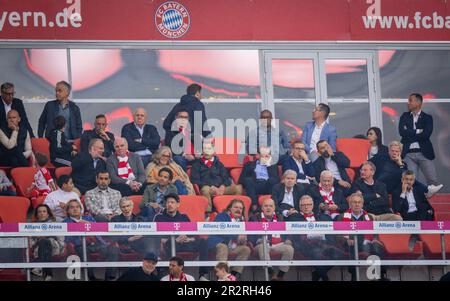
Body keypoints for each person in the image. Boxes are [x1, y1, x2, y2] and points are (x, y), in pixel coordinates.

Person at [154, 194, 209, 280]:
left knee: (202, 242)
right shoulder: (159, 217)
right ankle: (170, 274)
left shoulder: (184, 217)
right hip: (170, 244)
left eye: (172, 202)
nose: (170, 204)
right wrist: (174, 240)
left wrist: (188, 239)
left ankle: (202, 275)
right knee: (170, 243)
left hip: (185, 243)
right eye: (168, 202)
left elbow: (193, 234)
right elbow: (155, 237)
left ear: (178, 205)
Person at [290, 195, 345, 281]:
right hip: (306, 245)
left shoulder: (321, 216)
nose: (306, 207)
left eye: (308, 204)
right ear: (300, 206)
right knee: (317, 253)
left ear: (312, 205)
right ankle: (325, 278)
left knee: (338, 254)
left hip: (323, 243)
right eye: (304, 205)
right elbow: (296, 237)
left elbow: (329, 231)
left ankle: (317, 274)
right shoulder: (294, 218)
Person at [336, 193, 388, 281]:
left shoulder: (368, 217)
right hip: (351, 244)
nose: (357, 204)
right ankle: (354, 277)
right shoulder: (342, 217)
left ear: (362, 204)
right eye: (354, 202)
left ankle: (380, 276)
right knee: (353, 247)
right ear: (350, 204)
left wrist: (375, 239)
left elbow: (375, 233)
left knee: (378, 247)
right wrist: (346, 240)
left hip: (366, 243)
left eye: (359, 202)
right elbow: (337, 235)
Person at [399, 93, 443, 191]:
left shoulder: (427, 117)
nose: (408, 103)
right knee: (411, 183)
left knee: (433, 182)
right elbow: (402, 132)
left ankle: (428, 201)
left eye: (411, 100)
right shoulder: (404, 116)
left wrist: (409, 133)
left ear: (418, 102)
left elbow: (426, 134)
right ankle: (415, 203)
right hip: (408, 154)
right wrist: (418, 131)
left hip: (424, 152)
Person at [63, 199, 116, 280]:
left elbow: (98, 231)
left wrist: (88, 225)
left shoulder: (88, 218)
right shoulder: (65, 222)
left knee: (113, 249)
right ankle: (91, 278)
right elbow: (68, 239)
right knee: (83, 250)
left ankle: (109, 278)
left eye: (77, 207)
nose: (75, 209)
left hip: (97, 244)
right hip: (80, 246)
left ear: (81, 209)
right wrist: (78, 227)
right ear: (68, 211)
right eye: (72, 207)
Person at [109, 198, 161, 276]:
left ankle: (152, 261)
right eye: (123, 207)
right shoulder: (115, 220)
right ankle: (154, 262)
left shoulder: (140, 219)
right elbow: (114, 237)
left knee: (152, 238)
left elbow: (148, 231)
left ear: (132, 206)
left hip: (140, 243)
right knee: (149, 246)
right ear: (120, 208)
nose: (126, 209)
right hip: (125, 245)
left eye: (128, 206)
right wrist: (129, 239)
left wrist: (142, 235)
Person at [191, 141, 243, 215]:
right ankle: (207, 214)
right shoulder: (196, 165)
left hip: (221, 189)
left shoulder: (219, 164)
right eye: (205, 149)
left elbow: (226, 177)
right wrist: (211, 186)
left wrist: (223, 186)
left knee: (238, 188)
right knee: (205, 189)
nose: (207, 151)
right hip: (209, 188)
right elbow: (194, 180)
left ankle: (236, 212)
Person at [249, 198, 294, 281]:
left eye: (270, 206)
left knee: (289, 249)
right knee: (263, 247)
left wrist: (287, 240)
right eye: (265, 206)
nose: (268, 208)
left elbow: (285, 233)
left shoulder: (280, 217)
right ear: (262, 208)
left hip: (277, 244)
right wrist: (259, 240)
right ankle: (272, 273)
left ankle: (280, 276)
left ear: (274, 208)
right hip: (260, 245)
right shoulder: (254, 218)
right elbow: (251, 237)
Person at [207, 199, 251, 280]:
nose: (238, 210)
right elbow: (221, 231)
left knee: (246, 249)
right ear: (230, 208)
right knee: (223, 247)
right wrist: (237, 236)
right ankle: (221, 277)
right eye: (236, 207)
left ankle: (232, 276)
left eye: (240, 208)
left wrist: (243, 239)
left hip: (232, 247)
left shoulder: (242, 221)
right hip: (219, 243)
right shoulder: (222, 215)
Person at [238, 146, 280, 213]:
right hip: (255, 185)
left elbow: (277, 180)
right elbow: (241, 180)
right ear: (258, 155)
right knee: (248, 180)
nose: (266, 155)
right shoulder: (249, 165)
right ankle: (254, 206)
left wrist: (268, 166)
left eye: (268, 154)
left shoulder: (273, 165)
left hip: (268, 185)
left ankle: (273, 208)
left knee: (272, 180)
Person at [30, 204, 65, 281]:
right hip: (39, 247)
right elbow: (31, 242)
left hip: (54, 245)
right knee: (43, 242)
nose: (42, 213)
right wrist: (38, 239)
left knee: (45, 241)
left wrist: (46, 235)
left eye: (44, 211)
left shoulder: (55, 223)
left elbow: (60, 238)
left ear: (48, 213)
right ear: (37, 214)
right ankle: (48, 273)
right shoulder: (33, 226)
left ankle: (40, 267)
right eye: (39, 212)